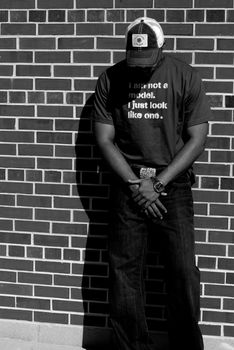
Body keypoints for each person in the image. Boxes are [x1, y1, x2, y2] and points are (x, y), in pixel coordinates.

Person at [92, 17, 212, 350]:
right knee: (125, 273)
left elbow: (197, 138)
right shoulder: (111, 79)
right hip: (127, 185)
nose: (141, 68)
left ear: (162, 48)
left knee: (182, 271)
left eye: (148, 59)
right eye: (135, 58)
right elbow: (104, 140)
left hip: (171, 187)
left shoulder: (185, 76)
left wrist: (157, 184)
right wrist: (135, 185)